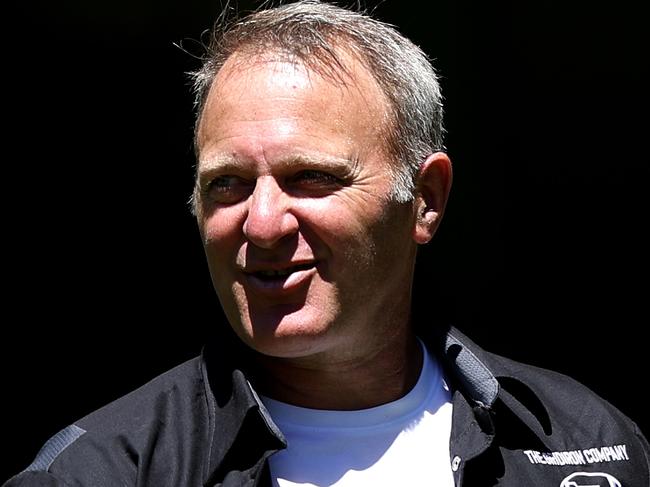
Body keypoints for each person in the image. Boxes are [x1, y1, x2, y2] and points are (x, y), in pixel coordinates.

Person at [4, 1, 649, 486]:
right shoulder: (100, 472)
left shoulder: (585, 443)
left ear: (426, 200)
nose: (261, 223)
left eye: (310, 178)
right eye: (226, 184)